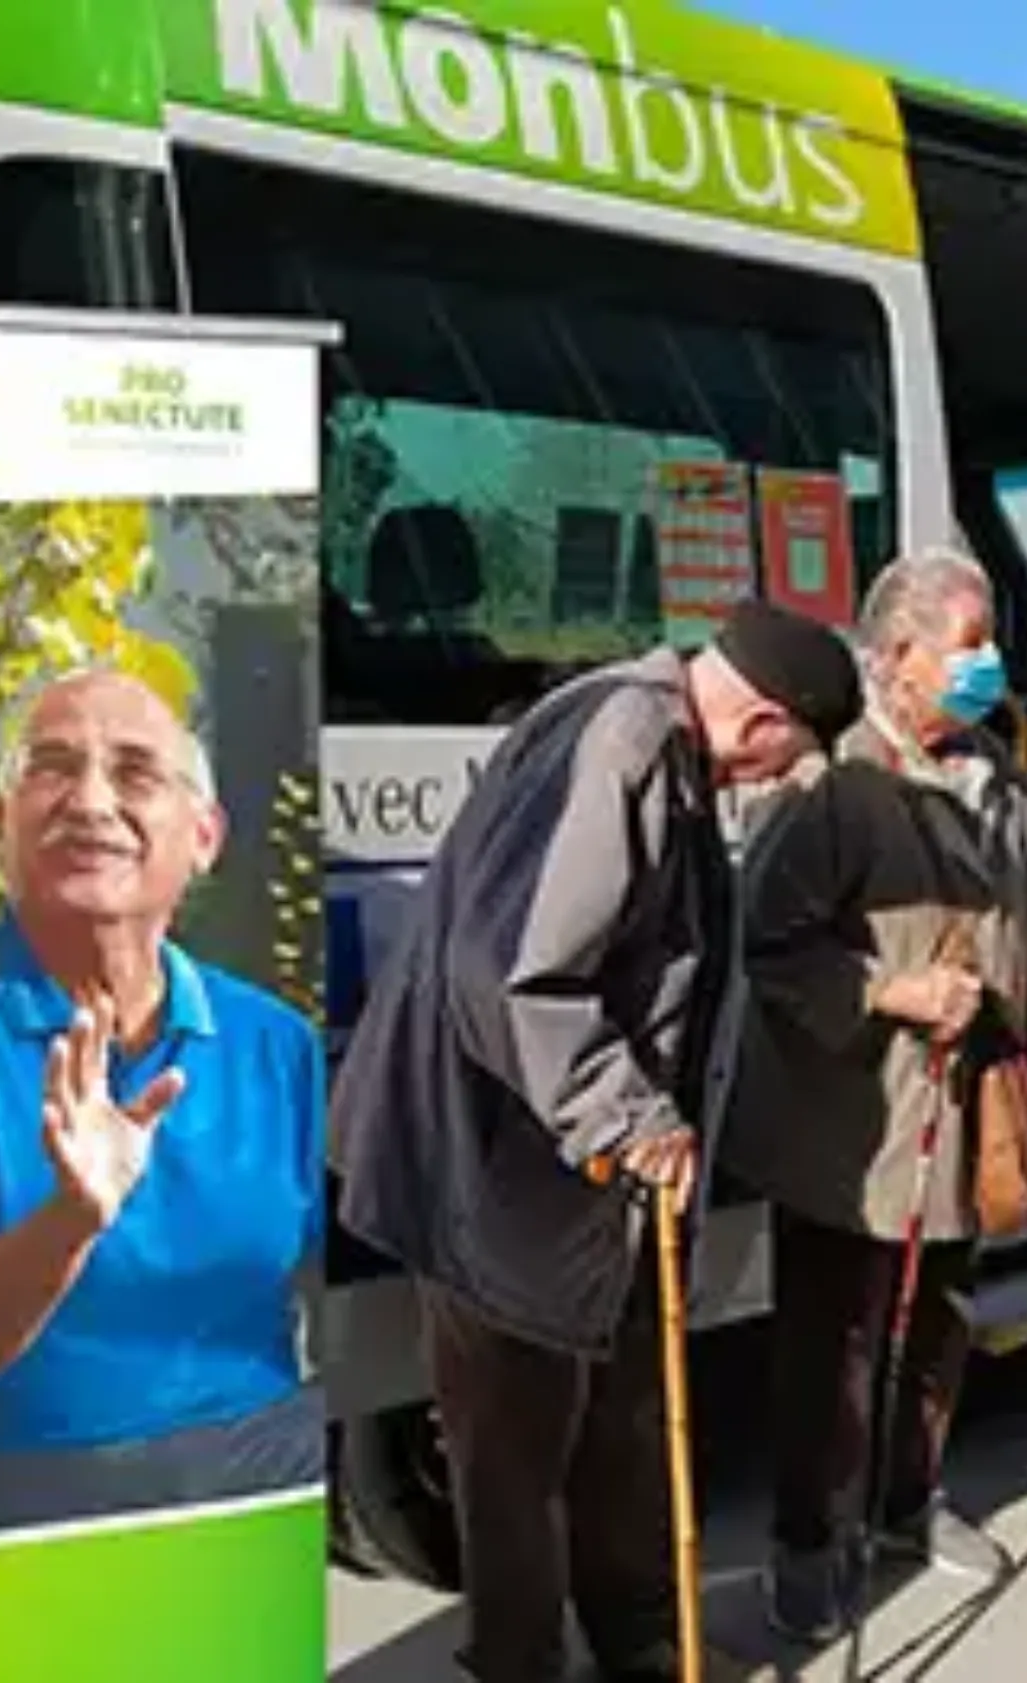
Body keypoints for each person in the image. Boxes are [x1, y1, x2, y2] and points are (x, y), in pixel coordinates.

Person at [332, 597, 864, 1683]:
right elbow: (516, 970)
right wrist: (628, 1114)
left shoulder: (656, 737)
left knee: (622, 1411)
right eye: (785, 759)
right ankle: (520, 1663)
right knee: (515, 1447)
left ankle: (638, 1637)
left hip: (577, 1164)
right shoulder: (623, 742)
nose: (768, 783)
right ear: (762, 718)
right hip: (499, 1153)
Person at [0, 668, 329, 1544]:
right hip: (6, 1523)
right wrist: (70, 1223)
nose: (89, 800)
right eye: (50, 767)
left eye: (134, 772)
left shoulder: (275, 1043)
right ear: (3, 827)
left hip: (252, 1500)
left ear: (204, 836)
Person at [724, 550, 1027, 1643]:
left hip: (962, 1112)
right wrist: (892, 989)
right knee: (830, 1346)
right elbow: (765, 943)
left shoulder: (995, 767)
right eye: (970, 643)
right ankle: (808, 1548)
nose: (992, 663)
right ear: (896, 657)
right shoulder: (833, 777)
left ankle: (905, 1509)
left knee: (938, 1325)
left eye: (993, 640)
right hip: (846, 1126)